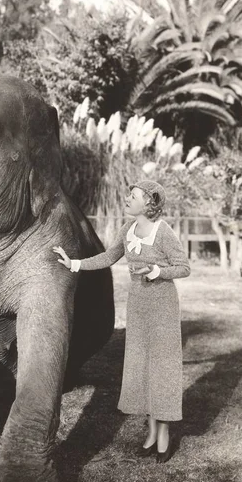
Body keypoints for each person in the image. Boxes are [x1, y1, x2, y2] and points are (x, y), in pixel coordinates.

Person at [53, 180, 190, 463]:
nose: (127, 199)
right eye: (129, 194)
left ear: (149, 203)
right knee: (142, 367)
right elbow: (107, 256)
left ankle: (163, 435)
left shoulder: (163, 232)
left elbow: (184, 267)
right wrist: (74, 264)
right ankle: (151, 434)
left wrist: (155, 271)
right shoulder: (127, 230)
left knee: (162, 369)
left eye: (134, 196)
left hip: (162, 305)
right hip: (138, 306)